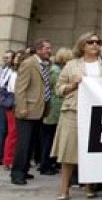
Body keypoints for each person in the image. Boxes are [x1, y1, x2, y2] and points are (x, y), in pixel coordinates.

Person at [52, 32, 102, 200]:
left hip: (97, 113)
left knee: (91, 150)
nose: (95, 44)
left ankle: (89, 186)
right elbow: (59, 89)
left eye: (98, 42)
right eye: (91, 42)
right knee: (68, 151)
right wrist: (73, 85)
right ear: (82, 45)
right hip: (73, 109)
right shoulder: (72, 65)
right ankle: (64, 189)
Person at [10, 38, 52, 186]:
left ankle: (25, 169)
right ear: (39, 49)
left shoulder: (43, 65)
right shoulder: (29, 64)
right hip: (27, 110)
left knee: (31, 143)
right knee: (24, 143)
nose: (49, 51)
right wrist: (21, 107)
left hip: (39, 111)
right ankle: (17, 173)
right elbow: (20, 88)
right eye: (47, 48)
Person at [40, 47, 72, 176]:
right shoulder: (56, 71)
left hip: (55, 107)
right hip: (54, 108)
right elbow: (55, 89)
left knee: (51, 137)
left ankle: (49, 163)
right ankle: (45, 164)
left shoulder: (56, 69)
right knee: (49, 138)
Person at [0, 49, 15, 166]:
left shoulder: (14, 71)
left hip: (8, 101)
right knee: (1, 130)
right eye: (4, 57)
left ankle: (5, 156)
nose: (5, 59)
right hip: (1, 101)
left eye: (8, 57)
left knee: (9, 130)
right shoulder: (4, 70)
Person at [2, 51, 24, 169]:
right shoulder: (14, 73)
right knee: (13, 132)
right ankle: (8, 159)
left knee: (14, 133)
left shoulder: (15, 72)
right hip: (13, 103)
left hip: (14, 103)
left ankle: (10, 159)